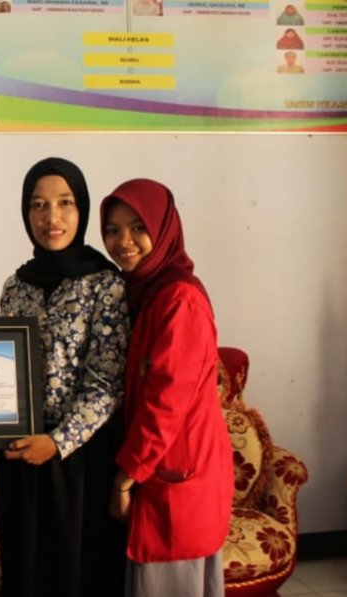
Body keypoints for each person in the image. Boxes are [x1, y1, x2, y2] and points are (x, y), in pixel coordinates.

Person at [0, 157, 128, 597]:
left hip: (80, 460)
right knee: (26, 571)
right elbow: (2, 369)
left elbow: (105, 383)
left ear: (82, 209)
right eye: (38, 204)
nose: (51, 217)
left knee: (78, 574)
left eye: (64, 202)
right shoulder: (16, 285)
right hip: (20, 452)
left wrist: (57, 442)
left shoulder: (105, 284)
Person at [100, 179, 233, 597]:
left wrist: (125, 479)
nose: (124, 242)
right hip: (159, 471)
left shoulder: (180, 300)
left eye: (138, 227)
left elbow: (165, 407)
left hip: (177, 476)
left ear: (163, 229)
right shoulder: (143, 293)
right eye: (113, 230)